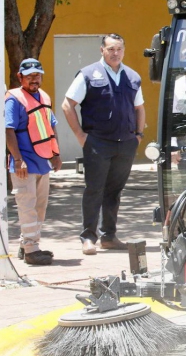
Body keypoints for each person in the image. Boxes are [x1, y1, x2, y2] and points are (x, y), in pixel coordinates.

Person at [61, 33, 145, 255]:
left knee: (114, 191)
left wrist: (138, 135)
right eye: (110, 49)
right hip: (98, 142)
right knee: (94, 190)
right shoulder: (88, 74)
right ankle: (88, 237)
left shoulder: (132, 76)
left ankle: (109, 236)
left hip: (125, 143)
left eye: (118, 49)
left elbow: (139, 108)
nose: (115, 53)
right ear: (102, 50)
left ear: (123, 50)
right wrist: (80, 135)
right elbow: (67, 105)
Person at [5, 58, 62, 265]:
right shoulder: (14, 99)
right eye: (29, 76)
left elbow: (51, 126)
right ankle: (31, 251)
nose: (34, 80)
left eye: (37, 75)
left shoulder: (44, 96)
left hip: (42, 160)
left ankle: (28, 244)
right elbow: (8, 130)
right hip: (24, 164)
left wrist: (56, 154)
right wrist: (18, 159)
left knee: (40, 206)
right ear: (20, 77)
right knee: (27, 206)